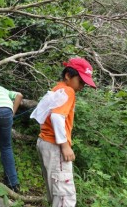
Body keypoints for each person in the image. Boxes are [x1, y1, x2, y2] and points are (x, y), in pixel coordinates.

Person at [36, 58, 96, 206]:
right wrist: (64, 145)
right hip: (55, 147)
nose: (82, 86)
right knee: (64, 197)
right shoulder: (68, 91)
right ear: (68, 76)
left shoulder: (57, 89)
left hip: (44, 142)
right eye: (81, 81)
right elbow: (56, 116)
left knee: (55, 192)